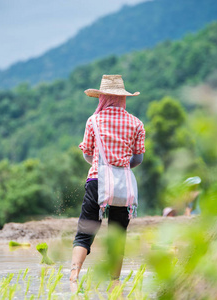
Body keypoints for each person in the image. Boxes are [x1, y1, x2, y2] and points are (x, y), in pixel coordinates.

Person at [70, 75, 146, 284]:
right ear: (123, 98)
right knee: (118, 234)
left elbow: (87, 153)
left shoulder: (93, 120)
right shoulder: (136, 123)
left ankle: (74, 276)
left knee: (85, 231)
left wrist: (101, 164)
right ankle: (114, 283)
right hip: (123, 185)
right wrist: (119, 166)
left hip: (97, 180)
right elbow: (138, 159)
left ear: (102, 97)